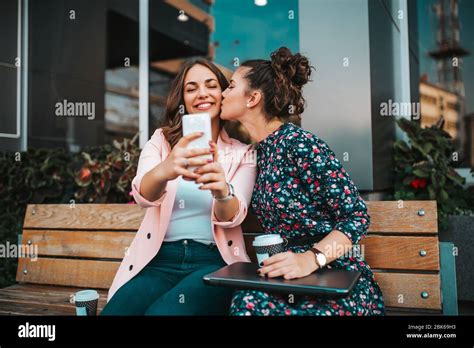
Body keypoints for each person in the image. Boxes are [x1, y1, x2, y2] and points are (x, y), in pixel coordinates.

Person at [220, 47, 385, 316]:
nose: (223, 93)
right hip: (284, 275)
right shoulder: (255, 153)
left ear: (252, 98)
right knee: (246, 305)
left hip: (332, 274)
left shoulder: (300, 144)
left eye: (230, 86)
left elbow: (356, 215)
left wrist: (311, 258)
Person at [100, 58, 256, 315]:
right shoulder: (161, 141)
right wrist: (166, 168)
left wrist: (222, 191)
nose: (202, 93)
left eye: (211, 85)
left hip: (212, 261)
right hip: (159, 260)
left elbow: (233, 216)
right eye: (191, 88)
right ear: (182, 99)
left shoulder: (242, 152)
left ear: (223, 94)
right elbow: (142, 194)